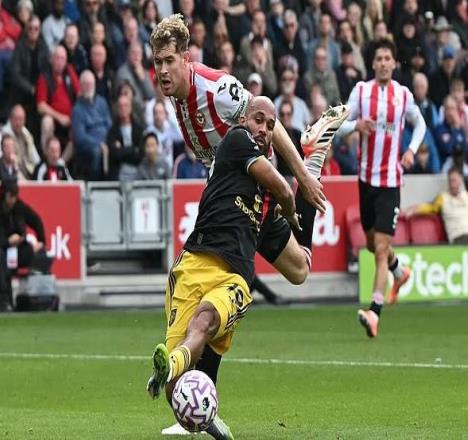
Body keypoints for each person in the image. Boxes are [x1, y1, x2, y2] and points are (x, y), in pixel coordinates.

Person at [149, 14, 348, 436]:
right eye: (157, 62)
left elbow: (265, 123)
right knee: (297, 270)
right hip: (238, 195)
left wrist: (302, 176)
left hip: (253, 186)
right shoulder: (176, 98)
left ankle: (310, 155)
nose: (162, 70)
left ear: (186, 59)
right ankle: (200, 407)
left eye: (169, 61)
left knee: (266, 277)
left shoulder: (216, 88)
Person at [146, 96, 299, 439]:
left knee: (205, 321)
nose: (264, 129)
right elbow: (284, 189)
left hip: (234, 278)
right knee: (175, 393)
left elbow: (300, 267)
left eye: (271, 126)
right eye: (259, 120)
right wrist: (292, 207)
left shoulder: (265, 204)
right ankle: (204, 414)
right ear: (244, 119)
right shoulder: (236, 140)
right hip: (193, 265)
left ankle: (169, 366)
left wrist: (309, 175)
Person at [337, 38, 426, 338]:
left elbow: (421, 124)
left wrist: (411, 149)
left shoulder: (403, 95)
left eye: (388, 58)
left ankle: (374, 311)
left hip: (390, 182)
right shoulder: (361, 91)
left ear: (394, 63)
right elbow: (339, 123)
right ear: (373, 64)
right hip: (365, 181)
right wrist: (356, 125)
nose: (384, 63)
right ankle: (399, 271)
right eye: (379, 58)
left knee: (379, 250)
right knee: (373, 244)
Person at [0, 179, 47, 310]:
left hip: (18, 250)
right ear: (4, 195)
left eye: (15, 196)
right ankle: (4, 298)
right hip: (0, 251)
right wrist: (7, 241)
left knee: (32, 251)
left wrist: (41, 240)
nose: (13, 200)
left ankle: (35, 299)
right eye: (10, 196)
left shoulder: (19, 207)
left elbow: (36, 220)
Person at [405, 167, 468, 243]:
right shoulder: (443, 197)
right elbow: (430, 207)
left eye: (454, 180)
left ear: (460, 180)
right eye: (450, 181)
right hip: (458, 237)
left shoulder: (466, 195)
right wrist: (412, 210)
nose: (452, 184)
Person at [71, 69, 112, 180]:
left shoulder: (102, 102)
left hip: (105, 142)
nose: (89, 87)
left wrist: (108, 141)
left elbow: (109, 125)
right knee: (96, 152)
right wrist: (99, 144)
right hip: (88, 147)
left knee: (117, 150)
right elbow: (80, 137)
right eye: (86, 84)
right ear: (81, 86)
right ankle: (96, 184)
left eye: (91, 84)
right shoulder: (77, 109)